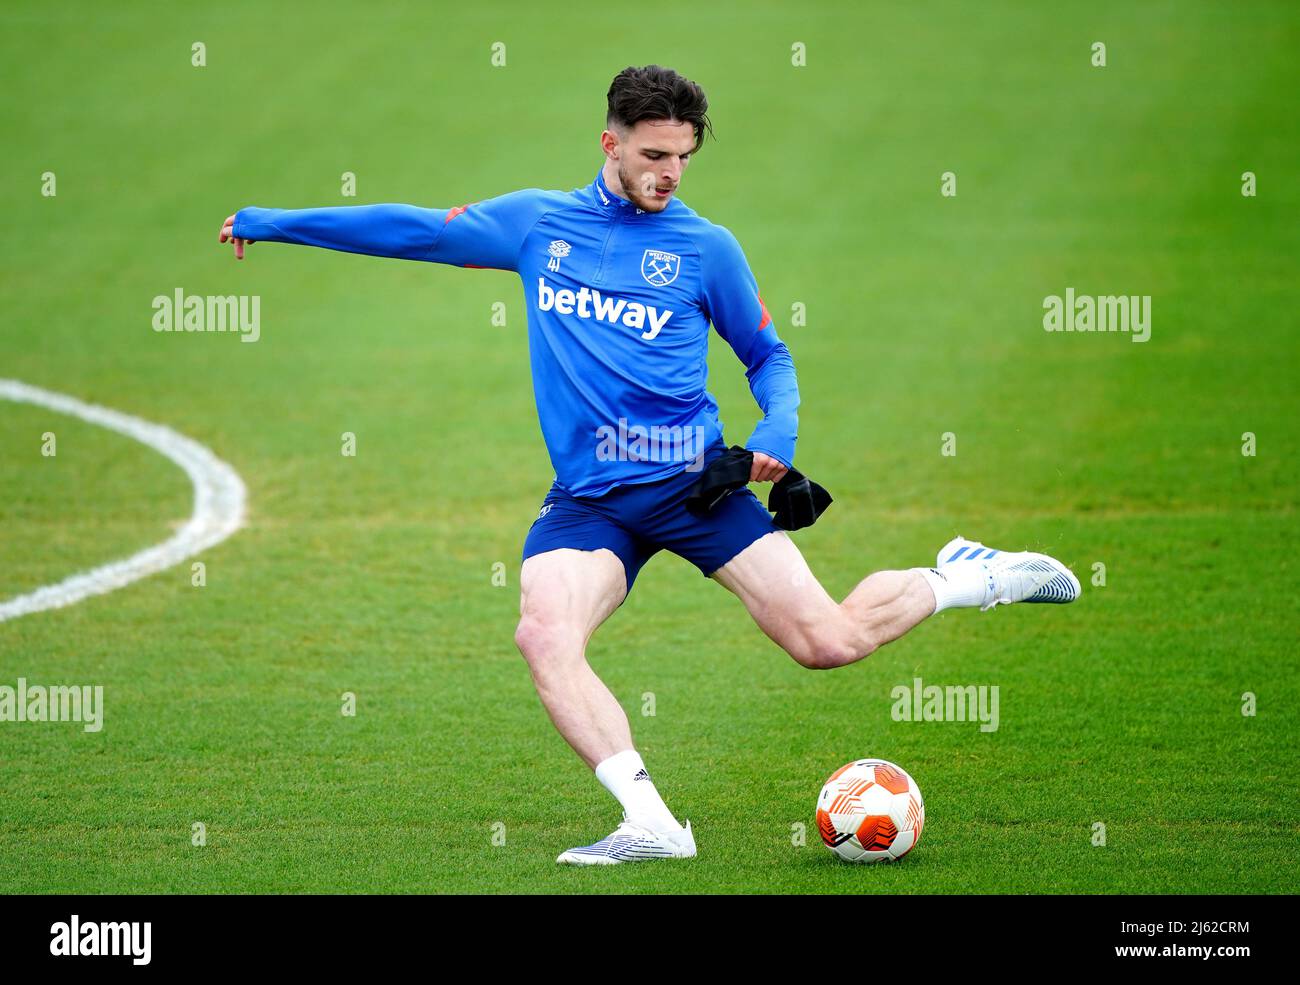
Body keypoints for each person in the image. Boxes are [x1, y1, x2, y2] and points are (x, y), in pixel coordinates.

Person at [219, 64, 1079, 865]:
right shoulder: (537, 224)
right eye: (654, 155)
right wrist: (274, 222)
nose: (669, 173)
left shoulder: (707, 249)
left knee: (827, 641)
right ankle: (650, 820)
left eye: (683, 158)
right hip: (589, 500)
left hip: (694, 483)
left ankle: (970, 577)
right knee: (543, 632)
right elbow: (411, 229)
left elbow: (767, 355)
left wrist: (777, 429)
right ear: (611, 144)